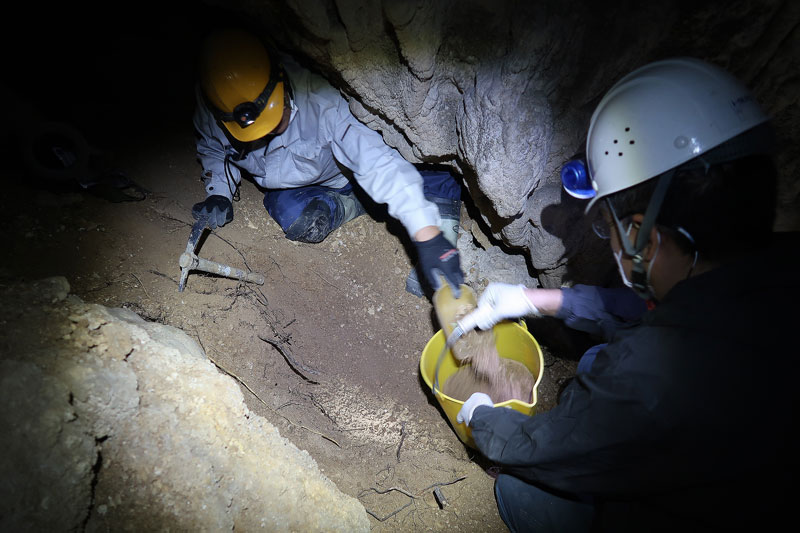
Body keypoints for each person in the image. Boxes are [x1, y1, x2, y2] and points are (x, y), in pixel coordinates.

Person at [455, 57, 797, 531]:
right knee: (597, 358)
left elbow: (545, 448)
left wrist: (481, 421)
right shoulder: (767, 271)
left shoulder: (652, 375)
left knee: (522, 491)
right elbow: (668, 314)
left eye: (608, 225)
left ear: (645, 236)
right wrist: (536, 300)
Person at [191, 27, 463, 296]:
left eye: (276, 118)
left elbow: (375, 160)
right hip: (311, 184)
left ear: (281, 78)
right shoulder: (216, 111)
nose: (269, 133)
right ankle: (355, 203)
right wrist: (219, 193)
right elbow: (214, 149)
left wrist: (426, 234)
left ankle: (437, 206)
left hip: (348, 170)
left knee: (423, 166)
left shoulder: (322, 102)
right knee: (293, 216)